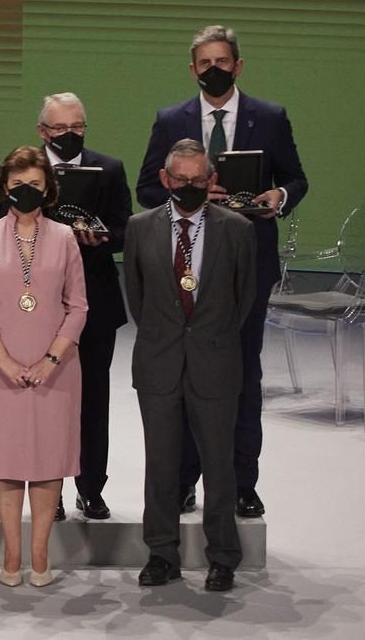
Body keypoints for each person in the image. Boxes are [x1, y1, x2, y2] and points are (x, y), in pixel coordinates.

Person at [133, 25, 304, 520]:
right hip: (182, 263)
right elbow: (147, 188)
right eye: (204, 63)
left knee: (243, 376)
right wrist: (184, 197)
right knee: (183, 376)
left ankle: (241, 484)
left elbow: (295, 176)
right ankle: (184, 482)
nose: (213, 69)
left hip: (244, 264)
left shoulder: (269, 118)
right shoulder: (171, 120)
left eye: (222, 61)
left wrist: (281, 197)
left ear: (238, 65)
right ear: (192, 69)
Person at [126, 139, 255, 593]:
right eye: (180, 180)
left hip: (215, 362)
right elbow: (138, 299)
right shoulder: (140, 228)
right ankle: (161, 555)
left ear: (212, 180)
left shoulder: (237, 230)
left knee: (219, 465)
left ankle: (222, 558)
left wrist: (205, 338)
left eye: (198, 180)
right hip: (159, 361)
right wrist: (171, 337)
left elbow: (242, 303)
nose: (189, 187)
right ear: (165, 180)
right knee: (160, 464)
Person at [0, 148, 87, 587]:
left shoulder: (65, 238)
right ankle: (12, 555)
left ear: (48, 190)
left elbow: (78, 307)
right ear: (4, 188)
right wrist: (5, 362)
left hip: (55, 370)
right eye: (18, 186)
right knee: (7, 459)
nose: (25, 193)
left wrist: (50, 360)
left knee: (48, 460)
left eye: (35, 186)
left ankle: (40, 553)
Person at [36, 92, 132, 520]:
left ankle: (91, 488)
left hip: (94, 301)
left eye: (77, 127)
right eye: (60, 128)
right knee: (45, 399)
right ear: (42, 131)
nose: (70, 135)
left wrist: (101, 237)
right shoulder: (26, 170)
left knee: (93, 400)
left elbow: (125, 229)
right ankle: (49, 490)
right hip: (37, 307)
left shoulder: (109, 169)